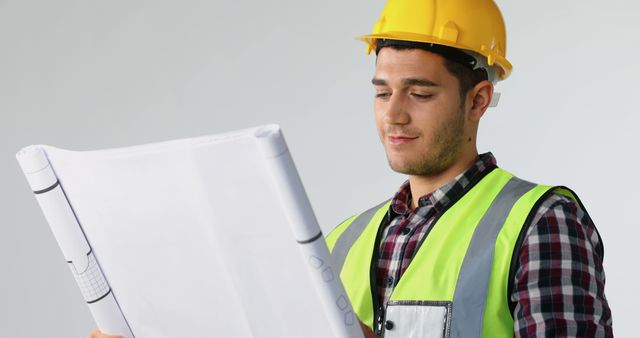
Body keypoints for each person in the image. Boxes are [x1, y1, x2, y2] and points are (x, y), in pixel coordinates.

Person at [88, 0, 612, 337]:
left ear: (477, 101)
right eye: (382, 92)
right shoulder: (337, 244)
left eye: (420, 93)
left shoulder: (539, 222)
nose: (393, 114)